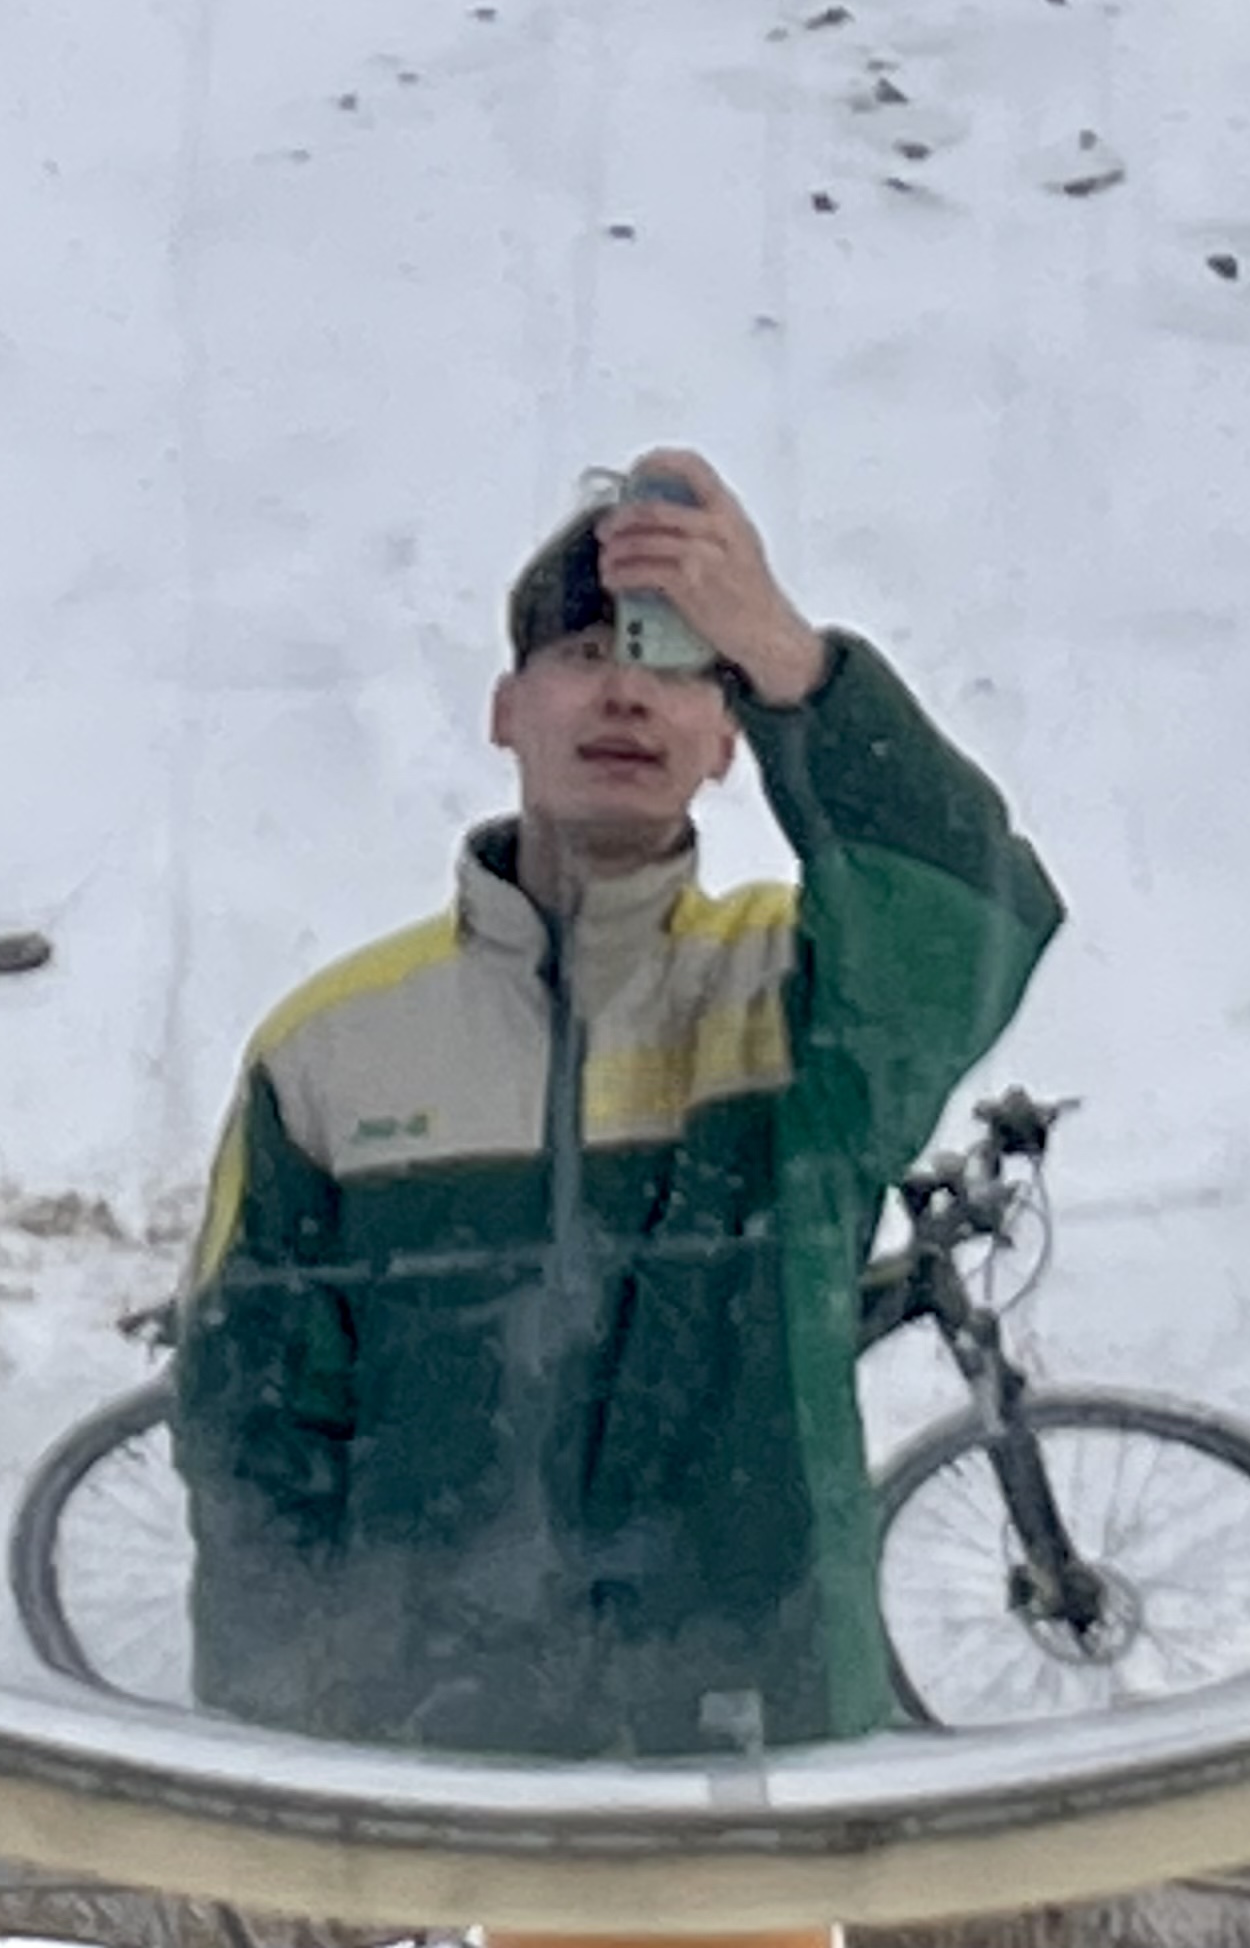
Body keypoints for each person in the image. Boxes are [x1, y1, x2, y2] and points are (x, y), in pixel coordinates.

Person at [169, 445, 1063, 1760]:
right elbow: (252, 1430)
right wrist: (290, 1753)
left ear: (729, 738)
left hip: (755, 1744)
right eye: (584, 652)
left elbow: (975, 910)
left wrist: (798, 666)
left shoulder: (800, 1007)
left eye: (681, 663)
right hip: (429, 1760)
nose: (628, 693)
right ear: (505, 710)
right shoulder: (334, 1048)